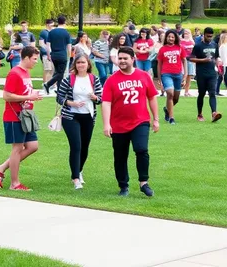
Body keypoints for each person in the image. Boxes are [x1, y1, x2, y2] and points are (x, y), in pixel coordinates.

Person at [102, 47, 159, 197]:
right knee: (120, 155)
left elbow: (152, 97)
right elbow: (106, 102)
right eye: (119, 58)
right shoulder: (112, 80)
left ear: (133, 59)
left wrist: (156, 119)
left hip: (140, 121)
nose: (121, 61)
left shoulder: (144, 76)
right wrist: (106, 124)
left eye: (125, 58)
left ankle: (143, 182)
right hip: (119, 124)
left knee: (141, 150)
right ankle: (123, 186)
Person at [0, 46, 43, 191]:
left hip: (26, 116)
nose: (36, 62)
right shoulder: (15, 73)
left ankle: (0, 168)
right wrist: (29, 97)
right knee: (17, 148)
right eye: (34, 59)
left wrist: (33, 96)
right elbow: (6, 96)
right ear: (25, 57)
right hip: (14, 116)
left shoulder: (25, 73)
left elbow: (24, 92)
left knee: (33, 146)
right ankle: (15, 184)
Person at [56, 53, 103, 189]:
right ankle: (75, 178)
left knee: (85, 147)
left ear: (88, 64)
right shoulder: (69, 79)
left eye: (83, 62)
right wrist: (71, 103)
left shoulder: (94, 79)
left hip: (88, 117)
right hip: (71, 117)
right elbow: (59, 97)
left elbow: (101, 98)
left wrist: (95, 97)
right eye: (78, 63)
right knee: (76, 146)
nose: (81, 65)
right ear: (75, 65)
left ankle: (79, 170)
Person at [190, 27, 223, 123]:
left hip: (212, 73)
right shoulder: (198, 46)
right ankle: (199, 114)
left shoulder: (214, 44)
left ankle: (214, 113)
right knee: (201, 94)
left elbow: (216, 57)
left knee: (212, 93)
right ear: (204, 35)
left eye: (211, 36)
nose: (210, 38)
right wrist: (202, 60)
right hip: (201, 73)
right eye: (208, 36)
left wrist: (219, 64)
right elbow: (191, 58)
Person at [158, 30, 188, 124]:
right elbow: (159, 64)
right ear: (166, 38)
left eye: (172, 37)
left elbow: (184, 61)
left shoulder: (180, 48)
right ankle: (171, 118)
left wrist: (185, 75)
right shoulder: (162, 49)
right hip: (166, 74)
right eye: (169, 37)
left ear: (175, 38)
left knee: (176, 99)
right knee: (170, 94)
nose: (170, 38)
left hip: (178, 74)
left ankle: (167, 110)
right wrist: (159, 79)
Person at [44, 16, 72, 95]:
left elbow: (48, 45)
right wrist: (69, 56)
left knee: (58, 72)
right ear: (64, 22)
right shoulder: (66, 33)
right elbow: (69, 46)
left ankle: (59, 90)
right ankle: (48, 84)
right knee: (60, 73)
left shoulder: (52, 32)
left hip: (54, 55)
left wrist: (48, 54)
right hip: (62, 55)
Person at [39, 19, 55, 85]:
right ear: (48, 25)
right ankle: (45, 83)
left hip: (51, 53)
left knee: (52, 69)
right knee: (47, 69)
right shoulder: (44, 32)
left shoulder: (52, 32)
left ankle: (50, 83)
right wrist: (49, 50)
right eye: (52, 25)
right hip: (45, 53)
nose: (53, 26)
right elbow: (41, 43)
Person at [181, 29, 196, 97]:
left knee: (189, 76)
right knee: (182, 74)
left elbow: (194, 51)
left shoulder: (192, 42)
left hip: (190, 60)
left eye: (187, 33)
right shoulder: (181, 41)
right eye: (185, 33)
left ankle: (186, 91)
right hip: (183, 60)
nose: (186, 34)